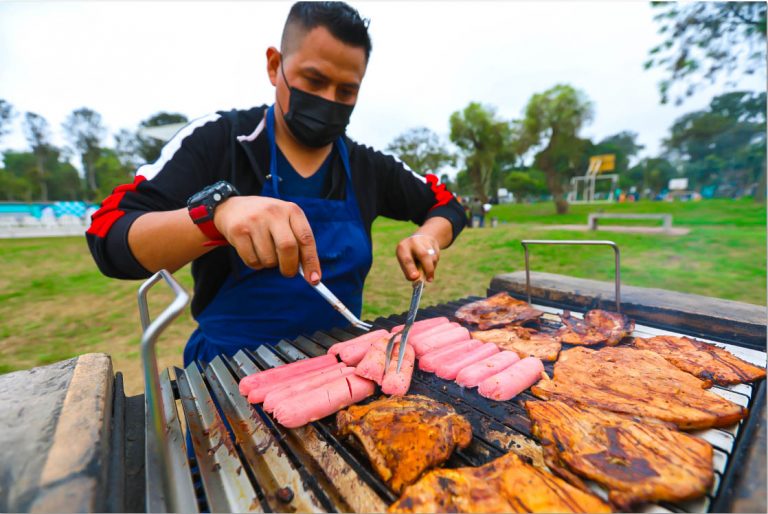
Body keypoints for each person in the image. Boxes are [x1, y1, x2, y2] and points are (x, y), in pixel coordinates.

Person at [86, 1, 466, 367]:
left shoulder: (368, 165)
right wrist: (215, 214)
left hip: (340, 368)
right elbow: (109, 233)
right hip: (228, 371)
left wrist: (430, 236)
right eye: (313, 80)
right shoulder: (218, 141)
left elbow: (448, 205)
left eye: (346, 91)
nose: (328, 100)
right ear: (275, 65)